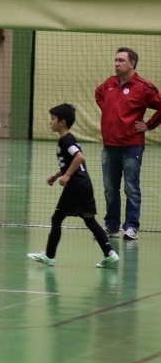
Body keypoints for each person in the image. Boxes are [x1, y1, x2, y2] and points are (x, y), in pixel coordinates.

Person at [28, 104, 119, 268]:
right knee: (89, 220)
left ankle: (49, 256)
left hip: (76, 186)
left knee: (57, 218)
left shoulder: (66, 140)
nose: (50, 122)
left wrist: (67, 175)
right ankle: (109, 253)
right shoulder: (69, 139)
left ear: (62, 122)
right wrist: (57, 175)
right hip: (85, 185)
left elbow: (79, 157)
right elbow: (71, 162)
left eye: (53, 119)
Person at [94, 47, 161, 240]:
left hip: (132, 147)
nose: (116, 63)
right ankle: (111, 225)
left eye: (121, 60)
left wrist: (148, 125)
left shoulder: (143, 87)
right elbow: (98, 94)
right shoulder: (109, 83)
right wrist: (108, 109)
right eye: (115, 60)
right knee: (110, 189)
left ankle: (131, 227)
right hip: (109, 147)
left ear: (132, 63)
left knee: (131, 188)